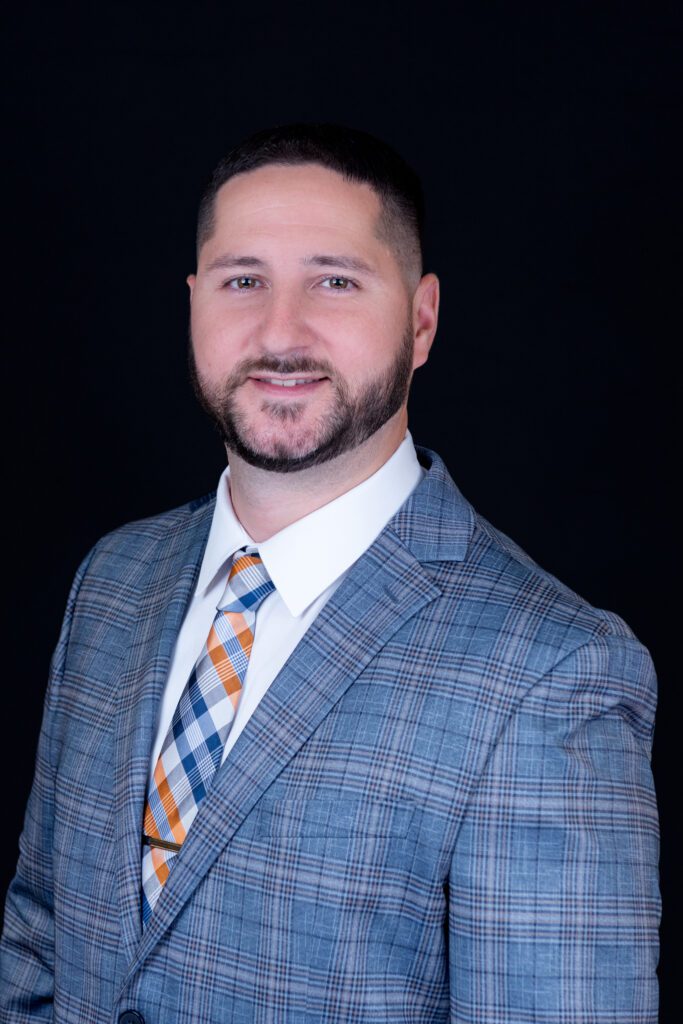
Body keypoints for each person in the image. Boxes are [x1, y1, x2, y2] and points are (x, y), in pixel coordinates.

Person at [0, 123, 659, 1023]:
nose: (279, 332)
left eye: (334, 281)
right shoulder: (114, 581)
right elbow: (38, 940)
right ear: (193, 302)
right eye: (242, 281)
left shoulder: (553, 671)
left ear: (421, 320)